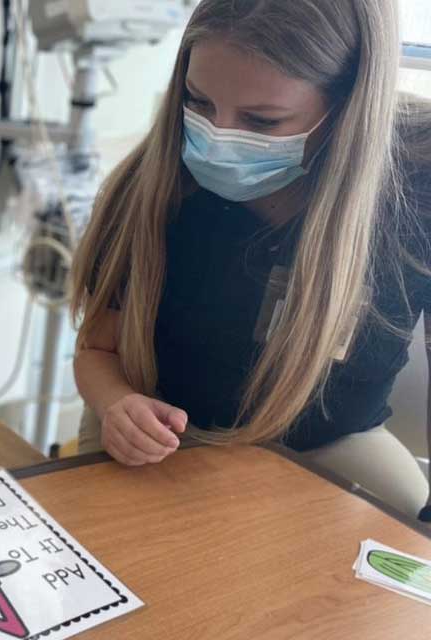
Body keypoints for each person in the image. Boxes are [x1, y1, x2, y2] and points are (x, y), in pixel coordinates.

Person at [71, 0, 431, 520]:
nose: (218, 137)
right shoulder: (151, 187)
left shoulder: (416, 184)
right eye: (198, 101)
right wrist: (115, 407)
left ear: (348, 105)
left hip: (329, 446)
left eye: (262, 120)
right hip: (162, 442)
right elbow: (96, 351)